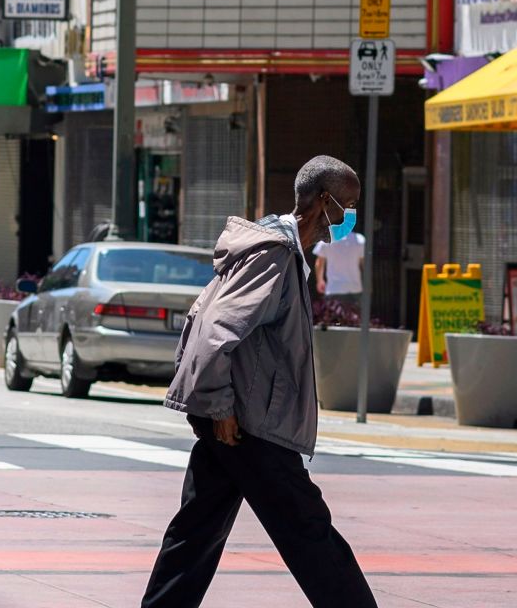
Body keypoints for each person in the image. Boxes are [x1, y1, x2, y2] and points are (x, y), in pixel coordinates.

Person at [142, 155, 377, 608]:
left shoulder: (285, 255)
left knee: (196, 532)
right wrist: (219, 406)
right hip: (251, 426)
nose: (349, 218)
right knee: (310, 533)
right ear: (322, 201)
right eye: (346, 206)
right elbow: (214, 329)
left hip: (243, 418)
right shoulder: (274, 255)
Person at [312, 213, 366, 321]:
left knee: (333, 323)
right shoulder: (360, 240)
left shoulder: (326, 240)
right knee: (355, 323)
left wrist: (320, 281)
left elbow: (319, 263)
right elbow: (364, 265)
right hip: (355, 289)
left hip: (333, 289)